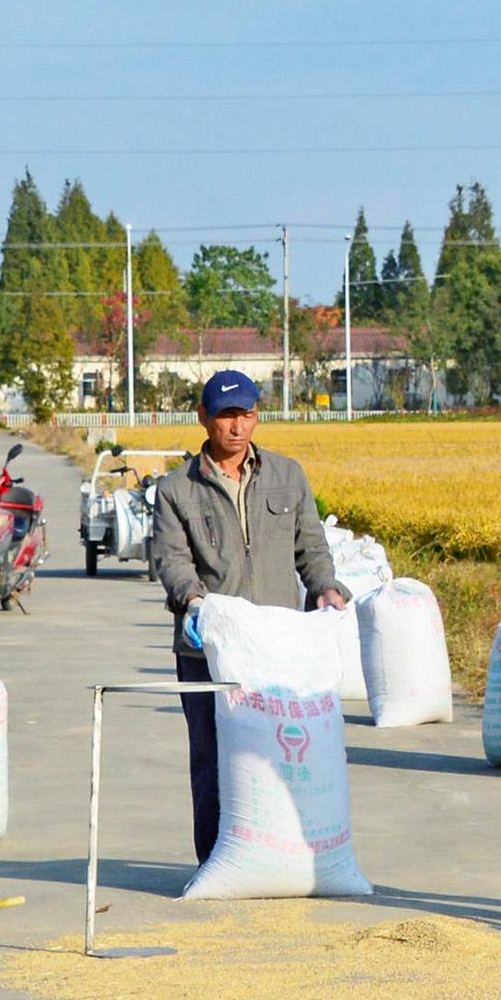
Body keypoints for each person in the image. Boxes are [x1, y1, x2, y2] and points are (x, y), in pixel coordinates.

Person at [147, 369, 349, 862]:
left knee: (281, 755)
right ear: (203, 417)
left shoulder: (288, 475)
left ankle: (283, 856)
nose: (237, 427)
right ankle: (217, 861)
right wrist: (191, 600)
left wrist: (325, 588)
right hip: (208, 649)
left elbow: (312, 548)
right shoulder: (177, 490)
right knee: (213, 758)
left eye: (247, 415)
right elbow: (171, 560)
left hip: (276, 648)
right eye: (226, 416)